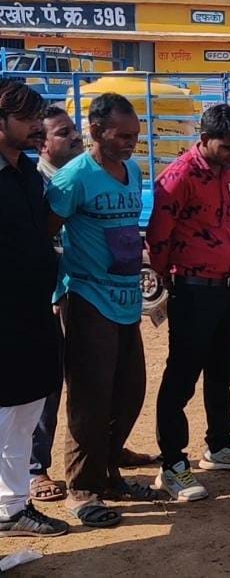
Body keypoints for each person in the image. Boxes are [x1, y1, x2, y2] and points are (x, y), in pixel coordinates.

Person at [45, 93, 159, 527]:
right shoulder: (72, 179)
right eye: (122, 135)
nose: (132, 143)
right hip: (89, 298)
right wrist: (58, 289)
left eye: (135, 135)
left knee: (129, 392)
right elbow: (48, 233)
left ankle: (110, 472)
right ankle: (83, 488)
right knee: (90, 399)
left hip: (128, 299)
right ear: (95, 131)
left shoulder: (132, 171)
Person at [147, 104, 230, 502]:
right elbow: (159, 236)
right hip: (193, 289)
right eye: (226, 147)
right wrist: (167, 282)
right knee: (182, 375)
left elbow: (228, 221)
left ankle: (220, 445)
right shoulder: (178, 177)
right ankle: (173, 464)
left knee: (221, 372)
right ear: (204, 140)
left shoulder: (229, 172)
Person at [0, 79, 68, 537]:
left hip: (31, 309)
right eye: (24, 121)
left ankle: (14, 502)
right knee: (7, 411)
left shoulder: (25, 171)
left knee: (27, 407)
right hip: (3, 313)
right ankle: (9, 507)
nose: (33, 130)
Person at [27, 105, 84, 505]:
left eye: (76, 131)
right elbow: (38, 246)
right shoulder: (35, 187)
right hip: (53, 297)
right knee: (46, 386)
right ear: (41, 143)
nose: (76, 138)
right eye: (64, 133)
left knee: (91, 379)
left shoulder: (83, 177)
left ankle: (98, 451)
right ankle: (36, 469)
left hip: (87, 293)